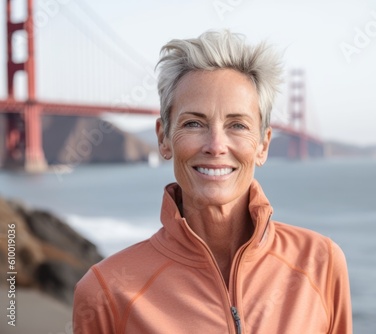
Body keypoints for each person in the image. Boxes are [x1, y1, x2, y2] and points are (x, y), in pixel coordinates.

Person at [73, 30, 352, 334]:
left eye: (237, 125)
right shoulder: (105, 292)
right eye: (194, 123)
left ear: (263, 145)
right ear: (163, 138)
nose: (216, 146)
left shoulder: (320, 262)